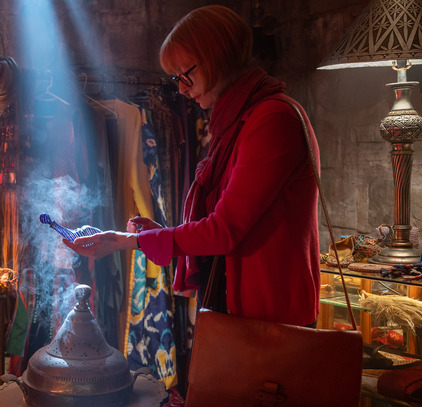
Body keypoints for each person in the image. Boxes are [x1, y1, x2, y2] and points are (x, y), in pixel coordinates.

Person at [64, 5, 320, 327]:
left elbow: (225, 230)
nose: (182, 89)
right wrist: (159, 234)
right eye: (176, 78)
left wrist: (125, 241)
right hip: (240, 305)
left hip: (269, 313)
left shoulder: (271, 120)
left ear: (217, 58)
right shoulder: (235, 123)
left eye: (186, 74)